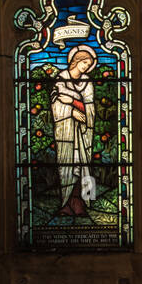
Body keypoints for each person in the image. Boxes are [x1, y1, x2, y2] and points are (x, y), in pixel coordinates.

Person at [50, 45, 98, 218]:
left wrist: (73, 101)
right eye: (84, 62)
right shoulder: (61, 79)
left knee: (84, 165)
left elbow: (90, 108)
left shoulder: (87, 82)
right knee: (67, 166)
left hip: (83, 133)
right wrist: (71, 111)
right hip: (66, 132)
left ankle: (82, 203)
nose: (85, 66)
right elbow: (56, 105)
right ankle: (65, 203)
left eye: (89, 64)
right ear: (76, 61)